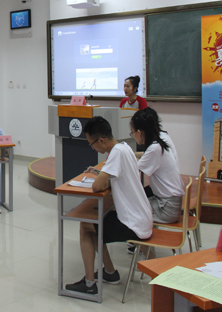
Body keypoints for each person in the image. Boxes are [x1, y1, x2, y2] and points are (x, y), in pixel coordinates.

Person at [65, 116, 152, 295]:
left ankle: (89, 284)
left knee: (86, 225)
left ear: (102, 140)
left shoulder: (116, 153)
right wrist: (103, 175)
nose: (93, 148)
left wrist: (102, 178)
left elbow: (97, 187)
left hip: (134, 223)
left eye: (92, 144)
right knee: (95, 222)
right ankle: (110, 273)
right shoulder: (124, 147)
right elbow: (112, 179)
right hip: (143, 217)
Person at [131, 108, 185, 224]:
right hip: (171, 201)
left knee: (131, 206)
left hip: (166, 208)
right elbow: (146, 156)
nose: (133, 135)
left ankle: (138, 233)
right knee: (138, 196)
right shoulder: (163, 137)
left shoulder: (155, 148)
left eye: (132, 132)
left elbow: (132, 170)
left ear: (139, 132)